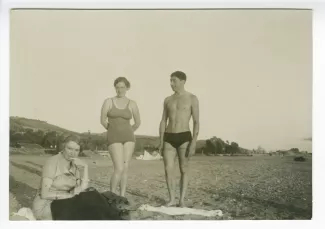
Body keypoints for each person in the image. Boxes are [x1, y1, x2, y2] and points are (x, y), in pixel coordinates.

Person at [158, 71, 200, 207]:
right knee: (168, 169)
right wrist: (161, 140)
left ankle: (181, 200)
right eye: (170, 81)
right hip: (169, 136)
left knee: (184, 168)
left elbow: (196, 122)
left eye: (174, 81)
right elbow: (163, 120)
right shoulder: (167, 100)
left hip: (184, 136)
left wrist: (194, 142)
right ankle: (172, 199)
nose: (171, 84)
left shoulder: (192, 98)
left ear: (182, 81)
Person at [100, 77, 141, 197]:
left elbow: (138, 122)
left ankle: (122, 196)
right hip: (113, 137)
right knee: (119, 168)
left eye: (122, 87)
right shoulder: (108, 101)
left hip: (129, 138)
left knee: (125, 167)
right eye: (117, 87)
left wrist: (128, 131)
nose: (119, 90)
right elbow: (102, 120)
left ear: (127, 88)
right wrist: (113, 130)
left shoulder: (132, 103)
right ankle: (112, 196)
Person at [32, 135, 89, 220]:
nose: (72, 153)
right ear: (63, 147)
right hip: (45, 205)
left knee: (91, 201)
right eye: (69, 148)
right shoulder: (52, 162)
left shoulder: (75, 164)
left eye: (76, 150)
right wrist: (70, 195)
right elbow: (44, 194)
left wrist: (85, 167)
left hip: (64, 201)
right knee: (81, 212)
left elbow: (82, 189)